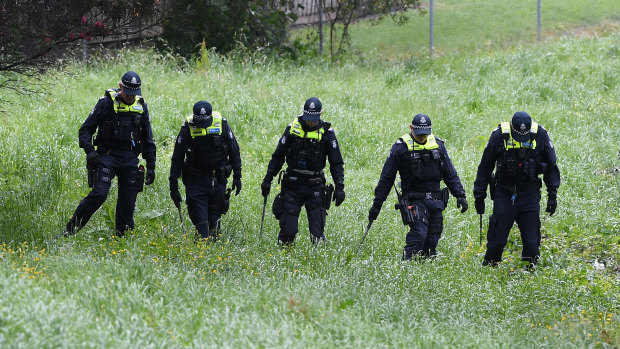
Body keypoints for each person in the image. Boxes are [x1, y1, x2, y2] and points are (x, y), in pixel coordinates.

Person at [59, 71, 157, 238]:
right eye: (128, 93)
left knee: (128, 201)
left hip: (129, 157)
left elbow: (148, 139)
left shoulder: (141, 107)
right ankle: (70, 230)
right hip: (107, 156)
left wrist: (151, 165)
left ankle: (122, 238)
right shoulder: (106, 103)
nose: (131, 97)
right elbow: (85, 130)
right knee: (99, 194)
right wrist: (90, 151)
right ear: (121, 87)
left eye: (134, 93)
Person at [368, 113, 468, 260]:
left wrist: (460, 195)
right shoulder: (400, 148)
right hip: (413, 199)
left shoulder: (438, 146)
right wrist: (377, 204)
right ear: (411, 128)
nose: (422, 137)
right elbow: (387, 178)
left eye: (425, 134)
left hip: (435, 200)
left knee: (432, 239)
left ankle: (425, 270)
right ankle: (406, 266)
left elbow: (450, 174)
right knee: (419, 234)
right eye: (419, 134)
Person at [473, 111, 560, 267]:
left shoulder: (540, 135)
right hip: (504, 192)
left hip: (530, 192)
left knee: (532, 243)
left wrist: (552, 194)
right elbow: (485, 166)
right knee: (497, 240)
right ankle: (490, 267)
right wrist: (479, 195)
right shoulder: (499, 135)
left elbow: (551, 166)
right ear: (512, 128)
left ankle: (529, 272)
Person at [261, 97, 345, 245]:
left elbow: (336, 163)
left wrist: (340, 186)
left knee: (317, 235)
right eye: (308, 119)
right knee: (288, 232)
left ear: (320, 115)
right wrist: (268, 179)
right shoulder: (292, 130)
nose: (310, 122)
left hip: (315, 186)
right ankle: (284, 256)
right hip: (293, 185)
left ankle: (318, 263)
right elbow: (278, 156)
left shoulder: (327, 134)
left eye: (313, 119)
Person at [169, 101, 242, 241]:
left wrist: (237, 176)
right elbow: (177, 158)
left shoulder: (222, 124)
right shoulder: (187, 128)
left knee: (214, 227)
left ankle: (211, 251)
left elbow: (234, 150)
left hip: (218, 180)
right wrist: (173, 184)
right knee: (202, 227)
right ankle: (201, 244)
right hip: (195, 181)